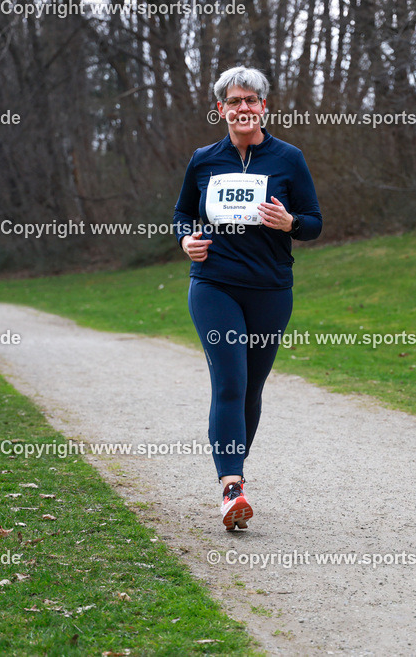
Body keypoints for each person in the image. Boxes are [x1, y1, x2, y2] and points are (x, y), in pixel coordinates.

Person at [173, 66, 323, 531]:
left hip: (271, 290)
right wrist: (185, 241)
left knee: (251, 390)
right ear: (220, 109)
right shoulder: (203, 159)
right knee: (231, 383)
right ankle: (231, 487)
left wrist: (290, 224)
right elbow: (182, 213)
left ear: (264, 107)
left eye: (251, 100)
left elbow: (315, 221)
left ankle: (234, 474)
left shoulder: (289, 158)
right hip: (214, 284)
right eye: (233, 101)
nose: (242, 108)